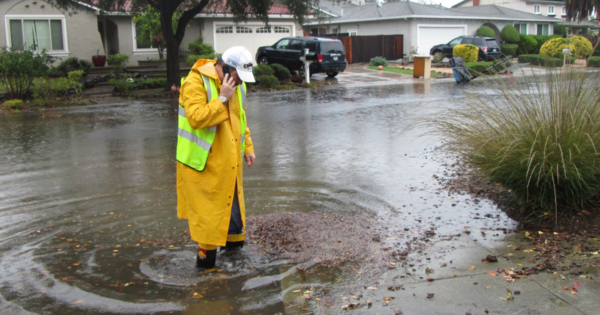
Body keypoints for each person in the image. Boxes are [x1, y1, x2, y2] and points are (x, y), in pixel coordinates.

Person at [176, 46, 256, 270]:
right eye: (238, 77)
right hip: (203, 166)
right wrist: (222, 98)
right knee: (209, 224)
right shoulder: (195, 82)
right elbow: (196, 118)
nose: (240, 83)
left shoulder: (237, 87)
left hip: (229, 164)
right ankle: (206, 276)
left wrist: (248, 147)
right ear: (225, 68)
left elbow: (241, 118)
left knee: (234, 219)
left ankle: (234, 271)